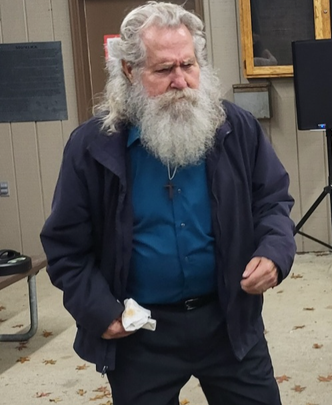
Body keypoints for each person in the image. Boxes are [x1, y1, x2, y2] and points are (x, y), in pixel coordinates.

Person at [40, 2, 295, 404]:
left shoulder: (235, 129)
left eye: (188, 65)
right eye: (163, 70)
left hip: (228, 320)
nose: (180, 81)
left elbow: (272, 200)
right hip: (140, 333)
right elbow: (65, 247)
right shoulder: (91, 148)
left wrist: (275, 252)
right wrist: (98, 310)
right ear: (129, 71)